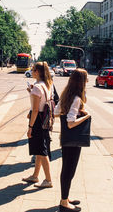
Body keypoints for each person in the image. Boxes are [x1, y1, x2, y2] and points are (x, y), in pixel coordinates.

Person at [54, 69, 91, 212]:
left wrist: (72, 112)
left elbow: (57, 112)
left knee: (67, 169)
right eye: (86, 79)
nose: (87, 82)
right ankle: (64, 202)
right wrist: (86, 116)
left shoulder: (65, 95)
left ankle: (66, 197)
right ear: (81, 82)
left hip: (66, 138)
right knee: (69, 170)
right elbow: (70, 123)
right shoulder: (76, 98)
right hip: (73, 139)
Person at [22, 61, 53, 188]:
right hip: (45, 120)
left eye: (33, 69)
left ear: (38, 72)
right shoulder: (46, 85)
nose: (32, 70)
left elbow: (35, 110)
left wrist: (30, 128)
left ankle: (48, 180)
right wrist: (31, 92)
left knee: (41, 151)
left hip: (38, 122)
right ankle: (35, 176)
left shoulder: (37, 87)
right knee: (39, 150)